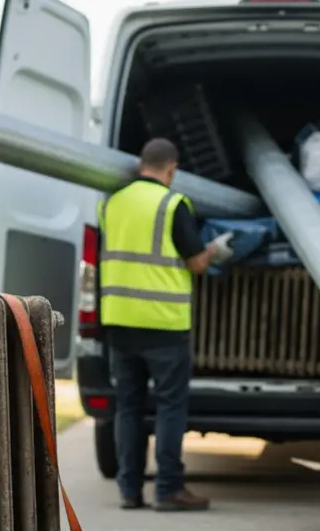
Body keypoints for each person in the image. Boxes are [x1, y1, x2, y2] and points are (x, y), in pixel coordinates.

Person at [98, 138, 234, 511]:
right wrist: (213, 252)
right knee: (170, 406)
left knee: (127, 406)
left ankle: (129, 490)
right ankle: (169, 489)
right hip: (163, 323)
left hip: (119, 319)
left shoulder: (111, 202)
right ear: (172, 168)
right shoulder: (173, 204)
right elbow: (195, 263)